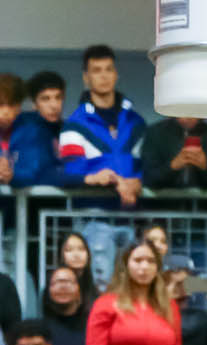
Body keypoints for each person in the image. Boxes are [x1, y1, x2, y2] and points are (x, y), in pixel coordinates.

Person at [58, 46, 144, 274]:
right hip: (93, 218)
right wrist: (106, 179)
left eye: (109, 69)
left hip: (134, 218)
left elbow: (146, 165)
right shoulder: (75, 124)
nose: (104, 76)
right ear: (86, 78)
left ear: (116, 74)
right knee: (101, 285)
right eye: (97, 70)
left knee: (133, 287)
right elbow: (71, 170)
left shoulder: (136, 122)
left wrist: (139, 181)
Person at [140, 113, 207, 190]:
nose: (187, 117)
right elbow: (148, 179)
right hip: (164, 205)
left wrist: (206, 167)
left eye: (193, 109)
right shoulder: (155, 133)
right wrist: (172, 167)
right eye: (182, 110)